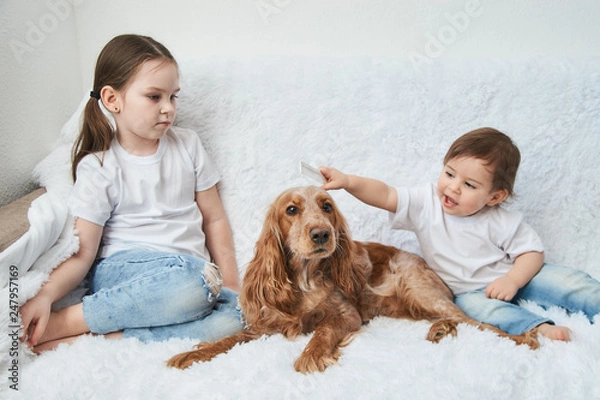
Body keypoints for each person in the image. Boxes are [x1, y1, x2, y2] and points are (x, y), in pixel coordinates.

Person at [20, 34, 243, 352]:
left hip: (194, 275)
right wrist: (45, 295)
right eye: (154, 97)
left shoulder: (189, 145)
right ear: (113, 100)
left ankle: (110, 338)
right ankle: (67, 323)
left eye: (173, 97)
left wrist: (232, 284)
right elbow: (83, 253)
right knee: (196, 283)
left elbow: (215, 218)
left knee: (239, 318)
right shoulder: (100, 166)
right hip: (127, 272)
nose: (168, 108)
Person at [320, 127, 600, 342]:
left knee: (569, 281)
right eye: (449, 173)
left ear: (494, 197)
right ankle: (538, 329)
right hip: (468, 292)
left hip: (516, 275)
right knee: (487, 313)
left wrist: (513, 280)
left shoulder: (500, 220)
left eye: (469, 184)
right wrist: (348, 182)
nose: (453, 188)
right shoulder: (426, 203)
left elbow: (532, 253)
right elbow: (386, 194)